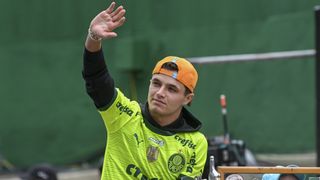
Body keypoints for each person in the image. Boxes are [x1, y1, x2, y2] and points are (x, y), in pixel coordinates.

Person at [82, 2, 208, 179]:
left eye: (171, 89)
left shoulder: (196, 142)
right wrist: (93, 38)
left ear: (187, 98)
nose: (160, 92)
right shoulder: (124, 115)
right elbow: (97, 80)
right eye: (156, 83)